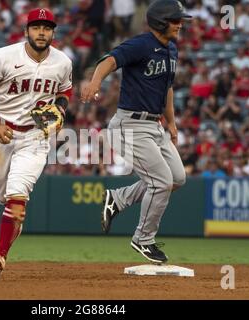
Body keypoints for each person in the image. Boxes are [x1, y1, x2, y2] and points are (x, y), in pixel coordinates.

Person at [81, 0, 190, 264]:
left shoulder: (171, 49)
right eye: (176, 19)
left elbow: (167, 88)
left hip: (155, 125)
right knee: (161, 181)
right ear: (161, 21)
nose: (180, 24)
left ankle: (117, 199)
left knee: (177, 178)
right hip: (129, 126)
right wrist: (94, 83)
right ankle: (143, 239)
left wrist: (172, 122)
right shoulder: (141, 44)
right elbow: (109, 61)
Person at [0, 8, 72, 278]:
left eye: (47, 27)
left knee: (18, 196)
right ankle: (11, 221)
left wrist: (61, 109)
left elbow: (65, 91)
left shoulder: (63, 62)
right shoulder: (2, 56)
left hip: (36, 137)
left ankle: (0, 254)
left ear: (53, 32)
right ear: (27, 30)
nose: (42, 32)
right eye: (37, 27)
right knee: (3, 194)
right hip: (3, 133)